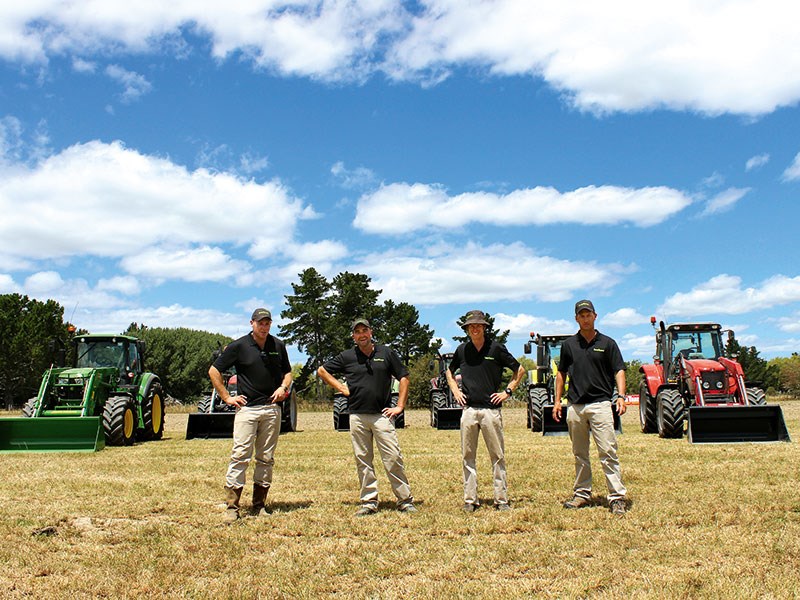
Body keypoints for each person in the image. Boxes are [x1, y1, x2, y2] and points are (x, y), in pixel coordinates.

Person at [317, 318, 416, 516]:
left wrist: (399, 406)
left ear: (371, 332)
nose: (362, 334)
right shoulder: (347, 356)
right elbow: (322, 370)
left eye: (365, 330)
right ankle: (369, 502)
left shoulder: (386, 353)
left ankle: (404, 500)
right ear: (353, 336)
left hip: (382, 415)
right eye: (357, 331)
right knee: (363, 459)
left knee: (393, 458)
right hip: (357, 416)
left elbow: (404, 377)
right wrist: (340, 387)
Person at [209, 308, 292, 523]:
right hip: (247, 411)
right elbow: (214, 371)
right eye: (260, 323)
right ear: (251, 323)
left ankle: (259, 505)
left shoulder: (278, 345)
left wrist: (283, 387)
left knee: (266, 457)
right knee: (240, 456)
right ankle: (232, 507)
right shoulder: (239, 346)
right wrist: (227, 397)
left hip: (272, 409)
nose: (264, 327)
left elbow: (288, 372)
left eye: (267, 323)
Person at [553, 299, 629, 516]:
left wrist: (621, 396)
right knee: (580, 453)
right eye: (581, 315)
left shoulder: (608, 343)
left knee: (607, 451)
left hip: (601, 405)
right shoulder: (569, 345)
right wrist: (558, 401)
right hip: (575, 406)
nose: (585, 318)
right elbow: (561, 373)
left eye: (588, 315)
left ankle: (616, 497)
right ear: (576, 319)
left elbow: (619, 370)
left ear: (595, 316)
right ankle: (582, 494)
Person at [446, 310, 526, 512]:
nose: (475, 329)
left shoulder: (496, 349)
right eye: (471, 326)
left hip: (491, 411)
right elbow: (448, 370)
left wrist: (507, 392)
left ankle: (501, 500)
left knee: (497, 456)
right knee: (468, 456)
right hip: (469, 410)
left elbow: (520, 370)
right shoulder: (462, 350)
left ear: (484, 327)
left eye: (478, 325)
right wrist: (455, 390)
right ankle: (470, 500)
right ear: (467, 329)